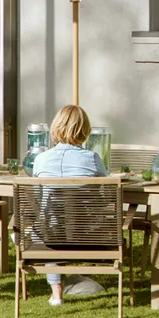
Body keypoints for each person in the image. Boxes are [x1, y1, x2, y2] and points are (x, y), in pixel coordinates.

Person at [29, 104, 109, 306]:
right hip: (89, 235)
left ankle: (57, 293)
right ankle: (74, 280)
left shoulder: (40, 160)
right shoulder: (92, 158)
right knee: (56, 223)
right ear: (85, 130)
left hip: (51, 235)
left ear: (56, 128)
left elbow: (38, 199)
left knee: (50, 224)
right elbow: (107, 197)